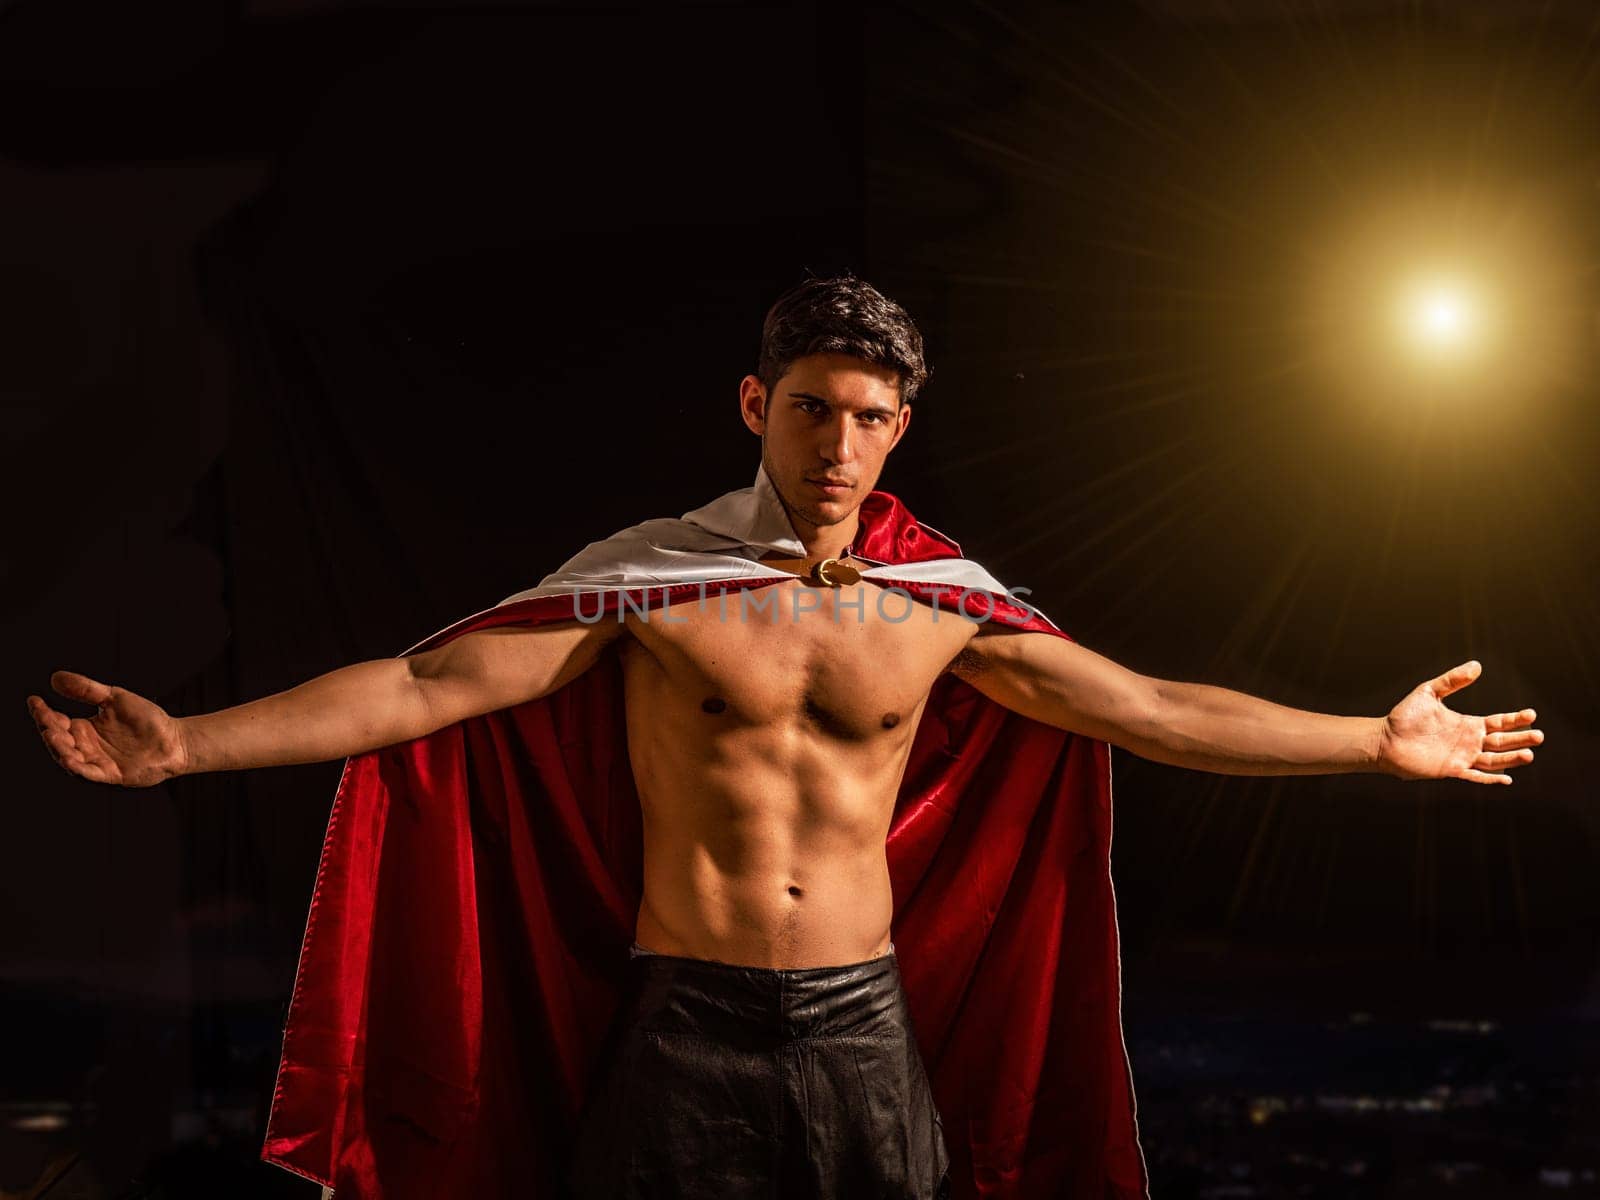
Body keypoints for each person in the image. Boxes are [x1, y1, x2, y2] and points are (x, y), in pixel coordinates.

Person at [26, 275, 1543, 1199]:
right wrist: (187, 748)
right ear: (759, 403)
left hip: (862, 1027)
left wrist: (1369, 742)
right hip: (683, 1022)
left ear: (900, 429)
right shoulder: (654, 577)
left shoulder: (941, 602)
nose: (838, 446)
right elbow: (428, 691)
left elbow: (1149, 710)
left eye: (871, 417)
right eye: (813, 408)